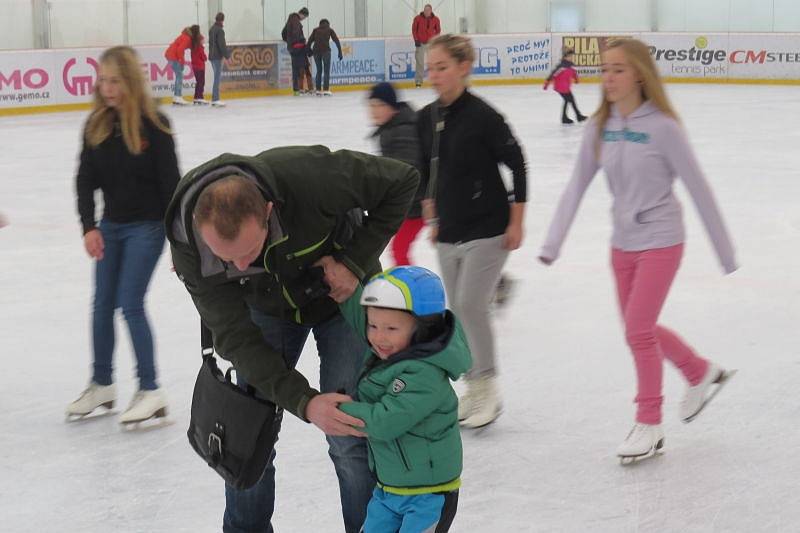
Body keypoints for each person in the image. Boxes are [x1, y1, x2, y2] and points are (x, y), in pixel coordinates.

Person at [165, 146, 420, 532]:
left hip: (344, 300)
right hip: (266, 310)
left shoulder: (310, 177)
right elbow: (235, 336)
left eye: (249, 253)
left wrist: (352, 262)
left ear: (268, 211)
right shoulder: (189, 246)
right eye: (224, 258)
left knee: (350, 433)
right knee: (246, 434)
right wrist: (305, 401)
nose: (238, 266)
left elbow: (403, 181)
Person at [538, 38, 738, 463]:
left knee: (638, 331)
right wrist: (553, 241)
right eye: (604, 69)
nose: (608, 78)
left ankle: (649, 423)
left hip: (663, 239)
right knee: (638, 328)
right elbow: (576, 186)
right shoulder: (599, 126)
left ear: (640, 75)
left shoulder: (663, 127)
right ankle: (699, 372)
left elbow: (698, 187)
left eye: (618, 69)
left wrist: (725, 252)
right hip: (622, 244)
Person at [417, 34, 527, 429]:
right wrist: (431, 213)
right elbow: (427, 170)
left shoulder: (485, 117)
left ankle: (489, 389)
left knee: (470, 303)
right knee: (458, 309)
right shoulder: (426, 117)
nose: (434, 75)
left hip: (490, 226)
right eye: (430, 68)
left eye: (442, 67)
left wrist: (517, 221)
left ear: (464, 67)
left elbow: (518, 165)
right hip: (450, 227)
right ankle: (474, 387)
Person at [67, 46, 180, 424]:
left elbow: (172, 188)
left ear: (130, 81)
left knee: (130, 303)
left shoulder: (155, 125)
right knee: (101, 305)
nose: (107, 88)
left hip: (147, 228)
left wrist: (180, 245)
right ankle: (102, 384)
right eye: (102, 80)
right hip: (111, 227)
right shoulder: (96, 125)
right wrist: (89, 227)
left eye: (115, 80)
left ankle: (151, 389)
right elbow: (84, 180)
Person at [338, 266, 469, 532]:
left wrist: (339, 409)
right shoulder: (394, 354)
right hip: (389, 490)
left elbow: (385, 421)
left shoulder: (423, 373)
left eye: (391, 328)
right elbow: (359, 319)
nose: (378, 336)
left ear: (424, 328)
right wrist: (345, 291)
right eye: (373, 325)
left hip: (429, 495)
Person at [367, 82, 426, 266]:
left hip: (419, 204)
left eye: (380, 105)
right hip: (417, 202)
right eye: (372, 105)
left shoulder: (401, 131)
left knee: (400, 249)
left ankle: (409, 290)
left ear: (392, 106)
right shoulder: (392, 128)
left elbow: (408, 171)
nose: (375, 110)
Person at [544, 48, 587, 124]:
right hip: (560, 87)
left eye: (572, 56)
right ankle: (576, 116)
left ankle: (567, 117)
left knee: (569, 100)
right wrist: (547, 82)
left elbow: (573, 73)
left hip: (566, 87)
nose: (571, 58)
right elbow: (553, 74)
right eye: (570, 56)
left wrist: (576, 79)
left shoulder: (571, 66)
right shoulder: (561, 66)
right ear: (565, 57)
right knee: (570, 100)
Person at [307, 18, 343, 96]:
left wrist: (309, 51)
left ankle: (318, 90)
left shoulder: (315, 30)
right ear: (328, 24)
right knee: (326, 71)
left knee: (319, 70)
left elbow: (309, 41)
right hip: (326, 51)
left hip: (316, 52)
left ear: (320, 24)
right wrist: (340, 52)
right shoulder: (329, 29)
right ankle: (326, 90)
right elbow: (336, 40)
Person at [411, 4, 441, 88]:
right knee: (420, 62)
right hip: (420, 43)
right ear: (423, 10)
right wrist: (416, 39)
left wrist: (435, 40)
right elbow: (414, 30)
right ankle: (418, 81)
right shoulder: (417, 18)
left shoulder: (436, 19)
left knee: (433, 62)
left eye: (428, 10)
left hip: (431, 43)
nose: (426, 11)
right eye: (425, 10)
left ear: (431, 11)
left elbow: (438, 31)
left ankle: (435, 81)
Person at [164, 27, 193, 105]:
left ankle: (176, 97)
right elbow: (180, 49)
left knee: (178, 75)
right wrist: (182, 62)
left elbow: (181, 48)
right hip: (173, 57)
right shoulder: (187, 38)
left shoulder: (183, 37)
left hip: (170, 55)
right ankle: (178, 96)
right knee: (179, 76)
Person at [282, 11, 308, 96]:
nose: (303, 19)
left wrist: (289, 42)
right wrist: (301, 40)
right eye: (304, 17)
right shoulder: (296, 20)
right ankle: (300, 89)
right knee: (303, 67)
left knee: (295, 68)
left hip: (292, 48)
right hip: (298, 47)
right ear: (302, 14)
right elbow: (296, 33)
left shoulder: (290, 19)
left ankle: (296, 90)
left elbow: (283, 33)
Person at [209, 12, 231, 107]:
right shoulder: (220, 30)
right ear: (222, 20)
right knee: (217, 79)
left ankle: (215, 98)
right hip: (217, 57)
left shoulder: (212, 29)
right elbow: (222, 45)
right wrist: (227, 56)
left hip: (212, 57)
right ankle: (215, 99)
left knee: (216, 78)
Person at [190, 26, 208, 105]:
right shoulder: (200, 47)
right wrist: (205, 57)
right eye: (203, 40)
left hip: (195, 66)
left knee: (199, 82)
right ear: (200, 40)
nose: (204, 41)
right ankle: (200, 97)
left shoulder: (194, 45)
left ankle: (196, 97)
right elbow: (204, 57)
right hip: (200, 67)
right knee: (201, 82)